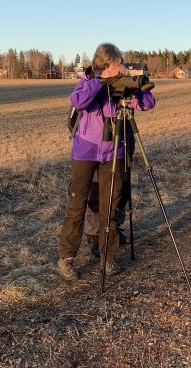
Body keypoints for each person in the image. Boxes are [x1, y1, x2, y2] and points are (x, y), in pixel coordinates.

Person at [57, 43, 155, 280]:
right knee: (77, 204)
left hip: (114, 152)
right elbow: (78, 101)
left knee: (110, 205)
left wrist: (135, 86)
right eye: (116, 63)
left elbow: (148, 104)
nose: (119, 67)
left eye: (120, 63)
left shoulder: (120, 86)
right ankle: (67, 258)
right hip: (85, 152)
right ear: (104, 64)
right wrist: (101, 82)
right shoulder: (88, 81)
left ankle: (107, 258)